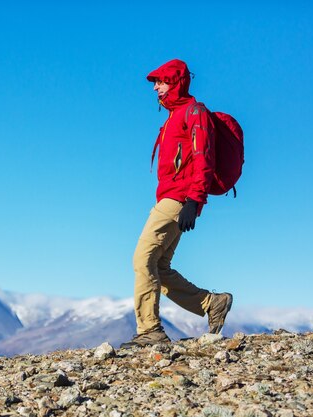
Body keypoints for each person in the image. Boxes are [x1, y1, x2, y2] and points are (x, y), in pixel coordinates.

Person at [120, 59, 232, 349]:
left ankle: (150, 330)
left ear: (176, 81)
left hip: (179, 198)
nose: (156, 87)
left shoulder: (194, 113)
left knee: (142, 259)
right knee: (160, 267)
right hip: (173, 197)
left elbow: (203, 156)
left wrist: (194, 200)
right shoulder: (173, 117)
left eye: (161, 81)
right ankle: (212, 303)